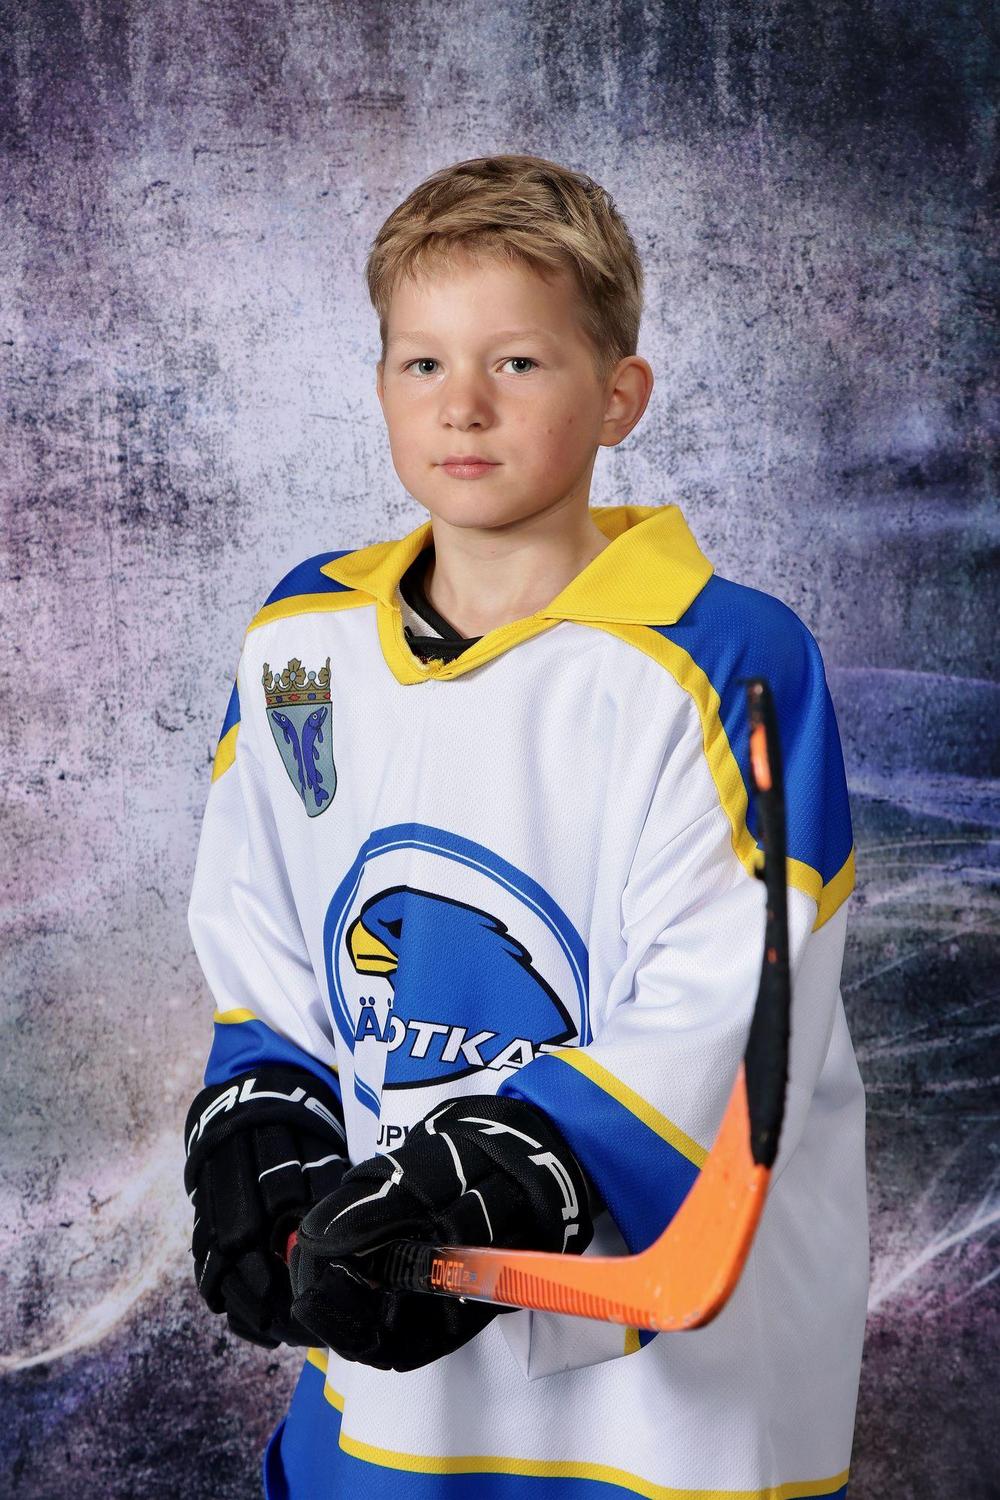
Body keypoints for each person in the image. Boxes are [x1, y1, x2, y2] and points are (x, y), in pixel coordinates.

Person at [183, 153, 868, 1499]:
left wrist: (515, 1171)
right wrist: (265, 1114)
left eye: (518, 363)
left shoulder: (723, 654)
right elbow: (261, 920)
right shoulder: (302, 641)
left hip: (665, 1382)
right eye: (423, 363)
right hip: (394, 1324)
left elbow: (735, 984)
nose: (465, 405)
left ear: (620, 396)